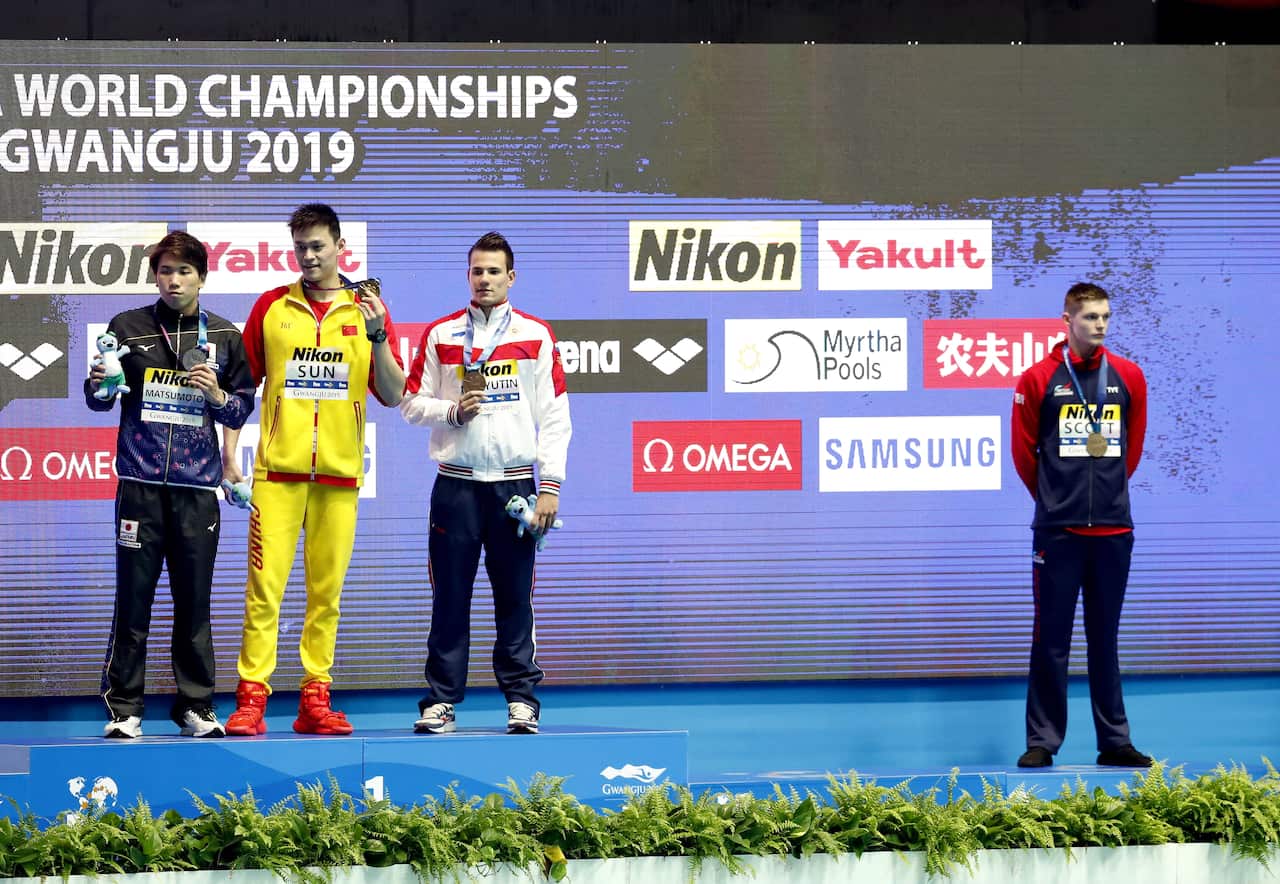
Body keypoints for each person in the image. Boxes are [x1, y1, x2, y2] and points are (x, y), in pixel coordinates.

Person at [224, 203, 405, 736]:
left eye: (317, 245)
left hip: (339, 477)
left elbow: (394, 394)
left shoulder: (367, 309)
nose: (308, 256)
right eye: (300, 246)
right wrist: (230, 456)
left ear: (340, 247)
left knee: (326, 597)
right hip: (276, 476)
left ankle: (315, 699)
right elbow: (240, 387)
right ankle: (251, 700)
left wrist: (377, 334)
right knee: (264, 592)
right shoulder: (271, 306)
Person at [85, 231, 256, 739]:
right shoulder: (127, 327)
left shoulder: (224, 335)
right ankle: (124, 708)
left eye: (184, 271)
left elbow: (240, 408)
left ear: (202, 276)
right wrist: (99, 384)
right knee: (132, 601)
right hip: (139, 486)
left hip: (197, 490)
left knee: (194, 602)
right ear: (155, 276)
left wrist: (218, 395)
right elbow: (99, 400)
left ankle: (196, 706)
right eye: (165, 271)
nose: (174, 280)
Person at [400, 231, 571, 735]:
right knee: (449, 599)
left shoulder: (536, 335)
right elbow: (411, 403)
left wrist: (551, 485)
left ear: (511, 277)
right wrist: (451, 411)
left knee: (515, 598)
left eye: (494, 271)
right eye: (477, 270)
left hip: (515, 490)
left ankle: (521, 700)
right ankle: (441, 701)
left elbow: (555, 414)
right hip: (455, 488)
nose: (485, 279)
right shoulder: (441, 334)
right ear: (467, 275)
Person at [1010, 281, 1152, 768]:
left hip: (1113, 531)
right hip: (1058, 533)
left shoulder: (1129, 376)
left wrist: (1106, 496)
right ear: (1067, 320)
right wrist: (1057, 499)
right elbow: (1023, 453)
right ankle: (1042, 741)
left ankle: (1114, 741)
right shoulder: (1037, 379)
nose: (1100, 325)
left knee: (1105, 639)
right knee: (1050, 640)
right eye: (1091, 317)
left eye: (1106, 316)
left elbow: (1131, 450)